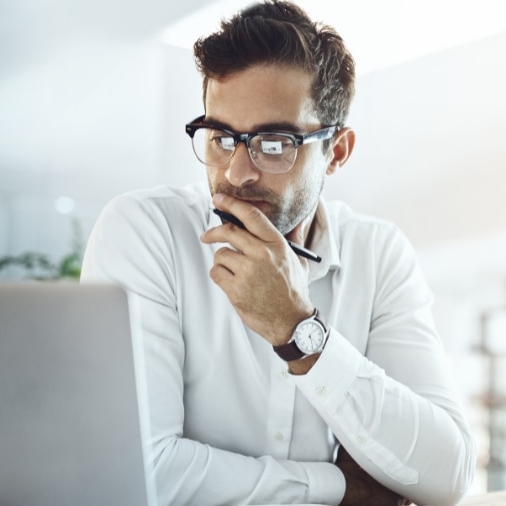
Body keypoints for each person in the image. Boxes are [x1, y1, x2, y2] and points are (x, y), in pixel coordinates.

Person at [81, 1, 475, 504]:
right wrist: (337, 487)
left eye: (273, 143)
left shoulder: (378, 254)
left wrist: (299, 332)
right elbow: (137, 473)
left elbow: (446, 473)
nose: (236, 173)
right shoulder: (145, 233)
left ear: (336, 152)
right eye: (222, 137)